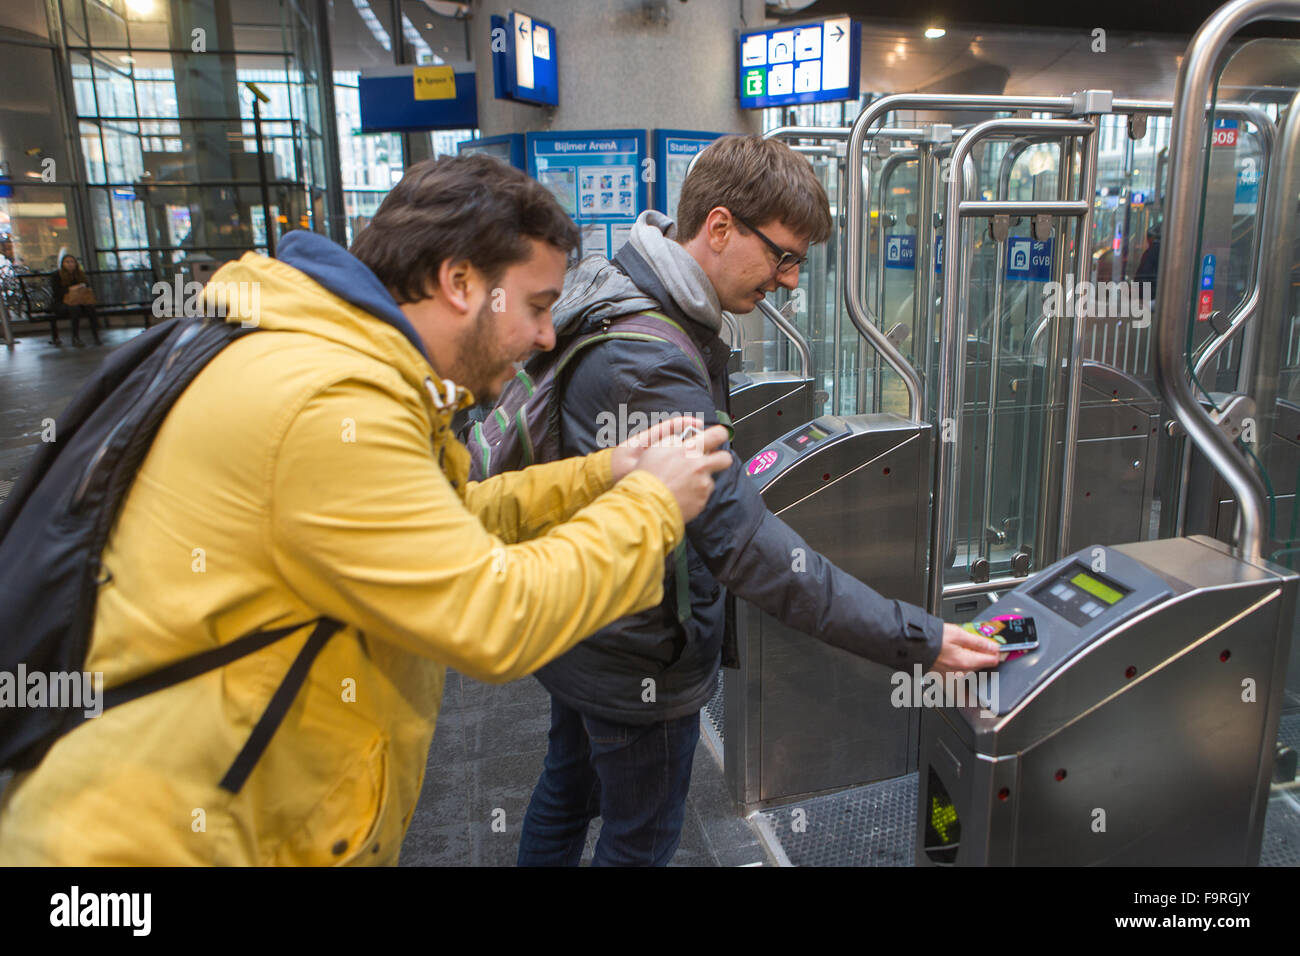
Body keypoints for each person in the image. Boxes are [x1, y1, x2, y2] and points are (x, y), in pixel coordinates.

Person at [0, 154, 732, 865]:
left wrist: (606, 471)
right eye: (537, 306)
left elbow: (451, 518)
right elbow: (491, 611)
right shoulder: (326, 401)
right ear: (458, 281)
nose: (546, 335)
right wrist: (651, 504)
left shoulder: (323, 357)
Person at [517, 135, 1001, 867]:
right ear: (718, 228)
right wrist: (914, 638)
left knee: (568, 788)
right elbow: (745, 545)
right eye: (783, 255)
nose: (791, 280)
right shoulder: (651, 356)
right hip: (637, 653)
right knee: (638, 838)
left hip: (584, 626)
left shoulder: (620, 286)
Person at [49, 252, 102, 346]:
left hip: (79, 300)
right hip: (62, 303)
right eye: (67, 262)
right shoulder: (56, 275)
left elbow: (87, 286)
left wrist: (82, 287)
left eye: (72, 262)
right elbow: (56, 291)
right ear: (63, 264)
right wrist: (70, 289)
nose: (70, 264)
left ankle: (96, 336)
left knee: (90, 308)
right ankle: (75, 338)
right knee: (74, 309)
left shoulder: (80, 275)